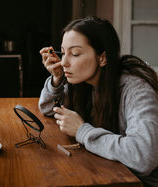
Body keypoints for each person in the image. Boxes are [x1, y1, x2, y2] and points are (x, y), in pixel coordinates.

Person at [39, 16, 158, 187]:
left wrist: (82, 130)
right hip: (108, 172)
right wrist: (56, 80)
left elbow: (143, 157)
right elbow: (49, 110)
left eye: (75, 54)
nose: (64, 62)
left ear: (102, 58)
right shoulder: (84, 82)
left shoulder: (136, 89)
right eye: (63, 52)